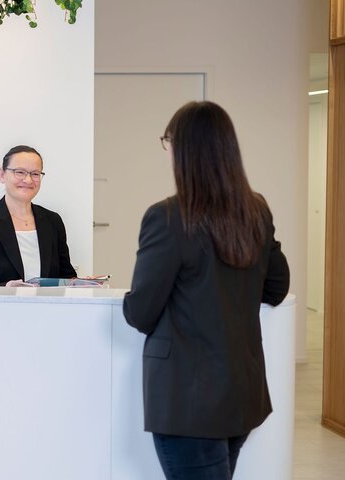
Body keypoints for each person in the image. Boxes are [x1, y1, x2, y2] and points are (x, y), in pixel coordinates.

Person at [123, 101, 290, 480]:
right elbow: (277, 287)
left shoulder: (167, 217)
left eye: (168, 141)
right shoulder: (255, 210)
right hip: (239, 393)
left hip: (188, 402)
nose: (166, 151)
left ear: (183, 149)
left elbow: (140, 313)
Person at [0, 145, 77, 286]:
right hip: (3, 301)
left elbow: (66, 276)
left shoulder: (53, 221)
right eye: (20, 172)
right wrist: (5, 289)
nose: (28, 180)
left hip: (47, 301)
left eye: (35, 174)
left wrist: (83, 283)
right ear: (2, 175)